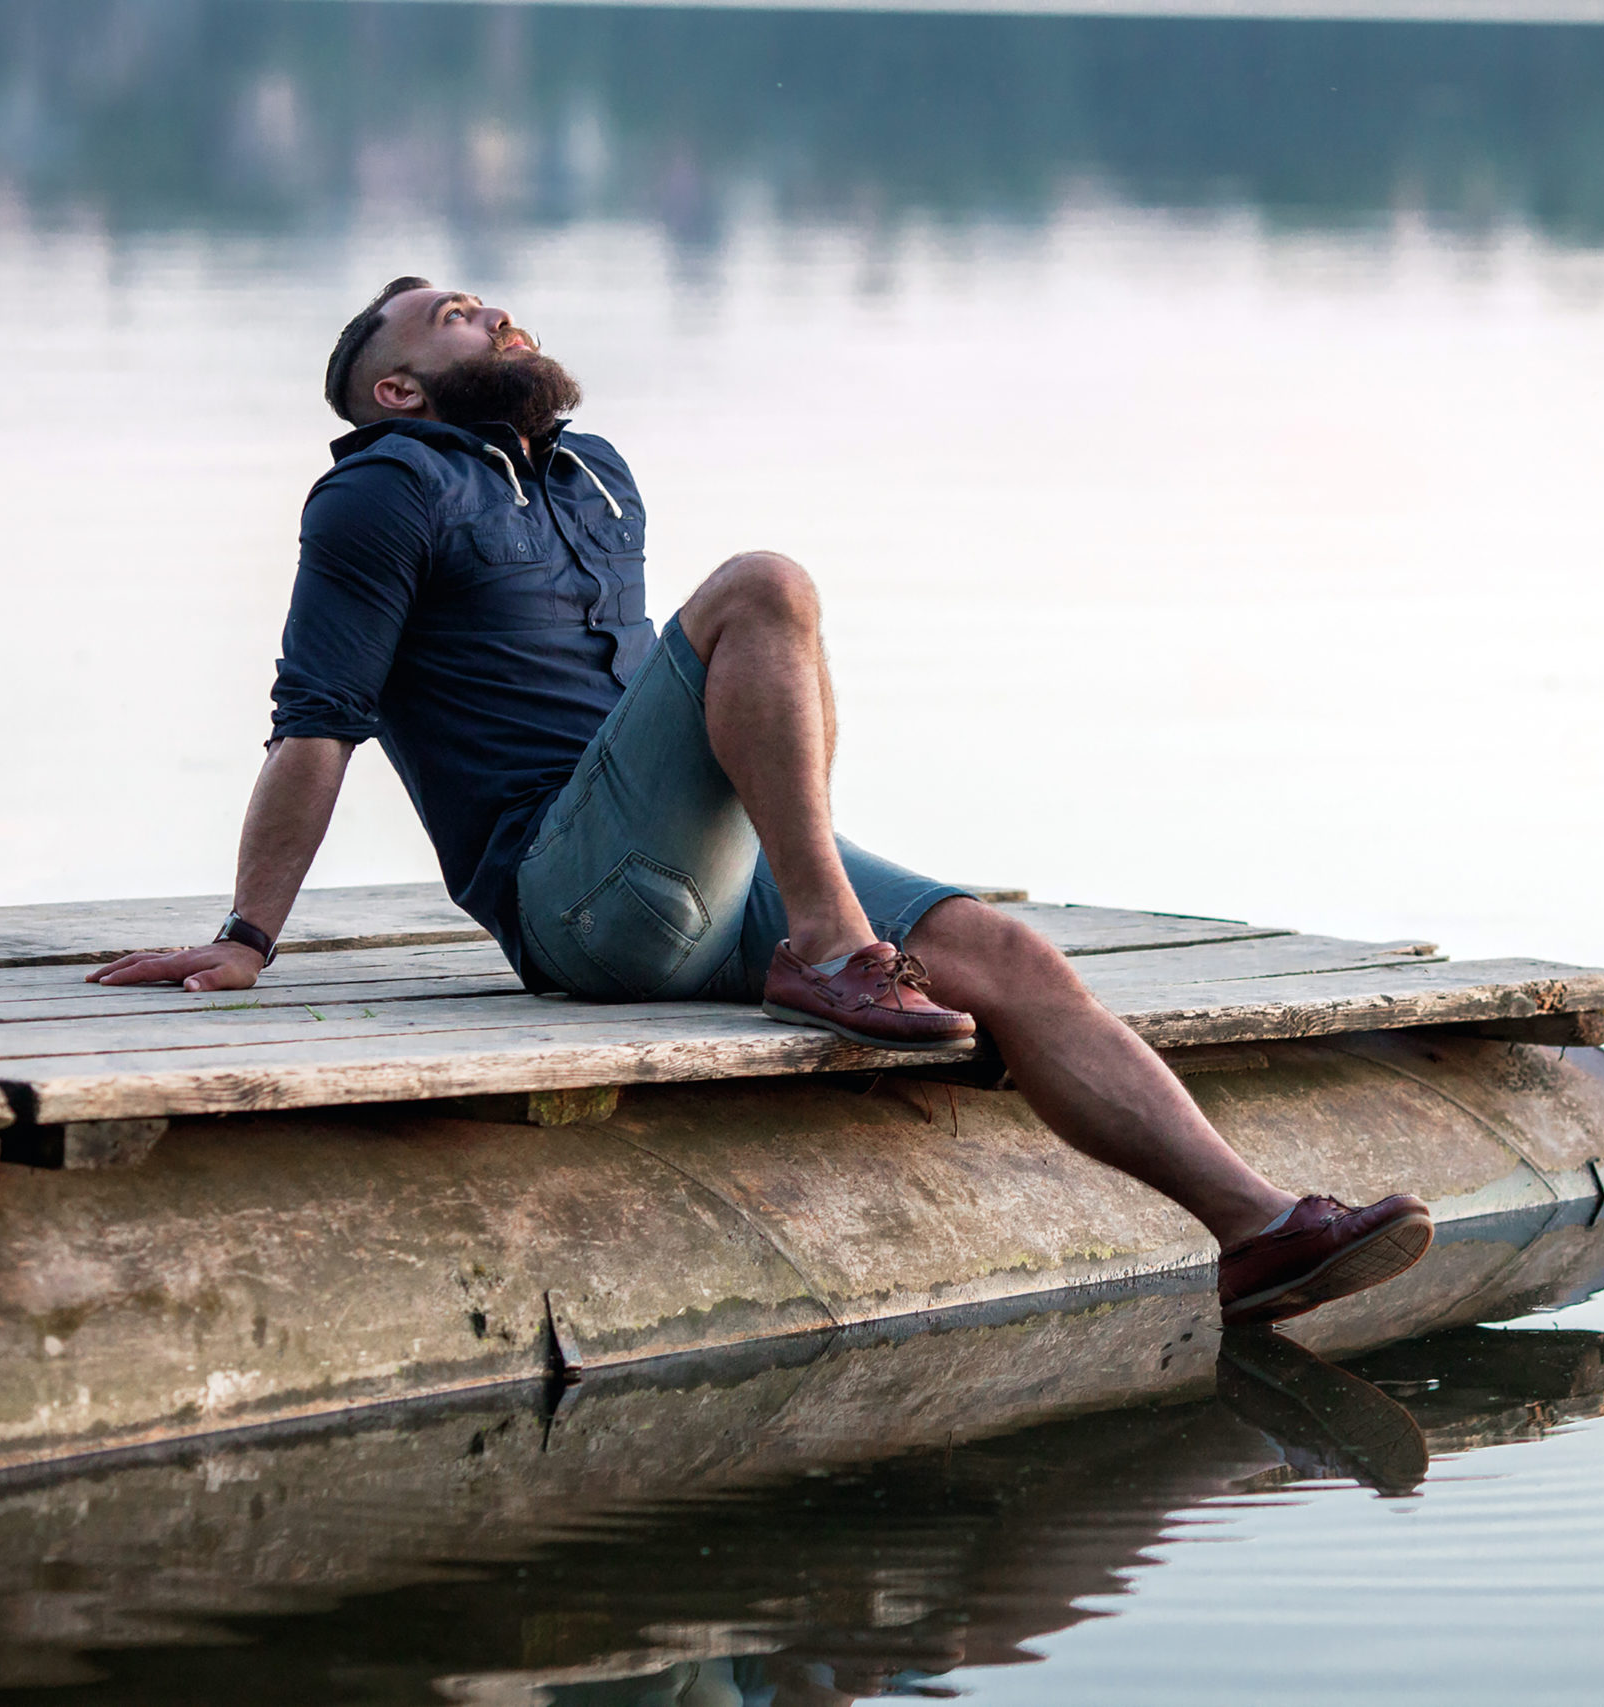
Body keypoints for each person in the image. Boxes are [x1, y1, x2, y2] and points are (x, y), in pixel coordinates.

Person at [88, 276, 1432, 1326]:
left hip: (690, 871)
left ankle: (1260, 1234)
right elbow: (320, 721)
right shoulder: (381, 491)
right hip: (574, 904)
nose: (493, 314)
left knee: (1012, 956)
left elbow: (703, 727)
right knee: (765, 585)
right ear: (397, 388)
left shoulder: (593, 475)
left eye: (491, 301)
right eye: (452, 319)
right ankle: (835, 947)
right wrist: (248, 939)